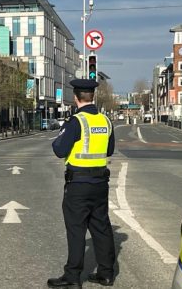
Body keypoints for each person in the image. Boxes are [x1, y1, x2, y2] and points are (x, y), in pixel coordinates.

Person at [48, 79, 117, 288]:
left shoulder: (76, 122)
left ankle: (72, 277)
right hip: (100, 184)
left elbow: (59, 149)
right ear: (92, 97)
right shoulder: (106, 121)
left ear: (76, 98)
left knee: (76, 229)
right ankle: (106, 274)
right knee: (101, 227)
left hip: (78, 184)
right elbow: (109, 150)